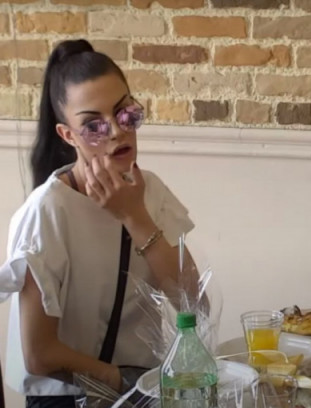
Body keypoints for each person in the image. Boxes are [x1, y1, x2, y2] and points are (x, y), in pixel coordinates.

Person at [0, 39, 194, 407]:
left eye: (125, 113)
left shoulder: (150, 190)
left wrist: (135, 216)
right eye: (94, 125)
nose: (117, 131)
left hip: (142, 389)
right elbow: (39, 355)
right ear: (67, 135)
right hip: (72, 398)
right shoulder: (47, 212)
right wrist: (121, 381)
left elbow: (192, 300)